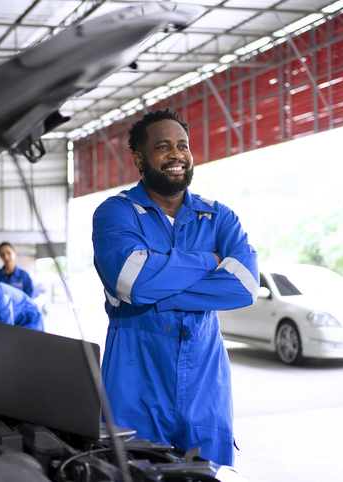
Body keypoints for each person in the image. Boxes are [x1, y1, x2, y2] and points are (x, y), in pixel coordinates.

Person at [91, 108, 259, 466]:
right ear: (139, 158)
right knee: (129, 472)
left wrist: (158, 290)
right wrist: (208, 262)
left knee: (206, 474)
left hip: (205, 385)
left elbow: (244, 286)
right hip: (134, 382)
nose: (176, 155)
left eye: (182, 145)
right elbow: (131, 280)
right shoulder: (116, 212)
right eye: (163, 146)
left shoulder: (219, 216)